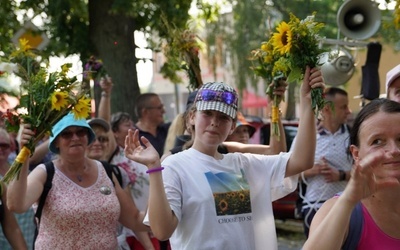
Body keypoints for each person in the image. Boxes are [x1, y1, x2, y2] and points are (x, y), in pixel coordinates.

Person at [124, 66, 324, 250]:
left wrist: (307, 104)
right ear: (192, 117)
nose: (214, 123)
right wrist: (154, 167)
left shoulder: (241, 163)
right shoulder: (175, 165)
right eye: (208, 114)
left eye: (223, 118)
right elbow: (162, 231)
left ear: (232, 126)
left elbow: (301, 161)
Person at [7, 113, 147, 249]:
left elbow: (135, 220)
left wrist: (155, 171)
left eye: (81, 132)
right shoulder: (45, 173)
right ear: (56, 142)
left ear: (88, 137)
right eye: (66, 134)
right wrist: (23, 153)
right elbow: (15, 205)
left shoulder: (106, 171)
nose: (75, 138)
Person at [303, 98, 400, 250]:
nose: (394, 150)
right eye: (377, 141)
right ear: (356, 154)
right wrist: (348, 201)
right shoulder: (338, 210)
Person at [99, 78, 160, 250]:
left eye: (133, 123)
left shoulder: (140, 153)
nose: (133, 127)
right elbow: (103, 124)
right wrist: (106, 94)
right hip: (136, 232)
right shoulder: (113, 154)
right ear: (115, 132)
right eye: (127, 125)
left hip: (153, 225)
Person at [295, 87, 353, 237]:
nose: (349, 111)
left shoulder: (353, 136)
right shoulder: (306, 136)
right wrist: (310, 170)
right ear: (327, 109)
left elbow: (367, 172)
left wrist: (341, 175)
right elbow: (289, 173)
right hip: (314, 207)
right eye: (343, 107)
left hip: (346, 205)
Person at [0, 128, 28, 250]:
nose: (0, 149)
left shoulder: (2, 185)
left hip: (28, 234)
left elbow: (12, 228)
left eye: (4, 145)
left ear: (11, 147)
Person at [135, 93, 171, 157]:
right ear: (145, 112)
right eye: (159, 108)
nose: (163, 111)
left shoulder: (168, 129)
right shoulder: (134, 136)